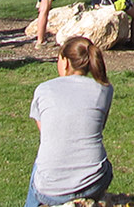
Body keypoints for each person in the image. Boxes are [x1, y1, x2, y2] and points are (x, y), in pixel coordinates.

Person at [25, 36, 114, 207]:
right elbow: (98, 126)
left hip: (51, 190)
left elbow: (47, 133)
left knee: (41, 164)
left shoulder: (43, 89)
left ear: (65, 62)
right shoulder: (105, 89)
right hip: (94, 182)